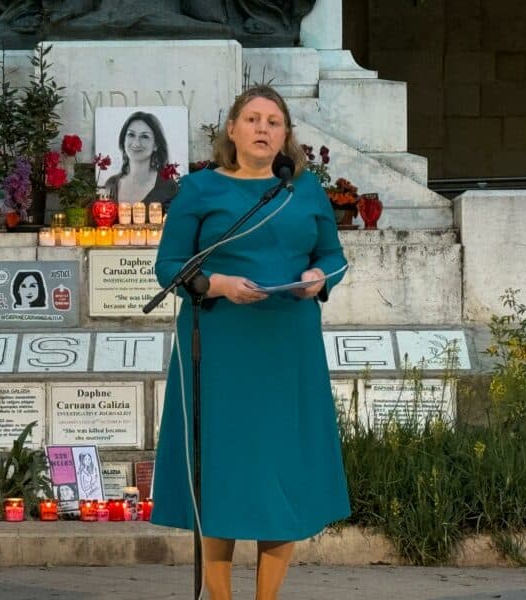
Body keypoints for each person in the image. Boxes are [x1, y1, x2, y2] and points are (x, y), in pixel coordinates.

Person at [150, 85, 350, 600]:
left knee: (280, 475)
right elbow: (169, 267)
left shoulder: (304, 189)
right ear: (232, 130)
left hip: (288, 346)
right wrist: (217, 284)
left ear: (286, 135)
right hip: (220, 346)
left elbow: (334, 256)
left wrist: (318, 277)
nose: (263, 128)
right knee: (223, 475)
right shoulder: (199, 189)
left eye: (274, 121)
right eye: (254, 119)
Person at [103, 111, 178, 208]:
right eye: (131, 135)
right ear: (123, 140)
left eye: (144, 136)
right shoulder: (111, 184)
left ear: (156, 145)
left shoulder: (168, 186)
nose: (136, 143)